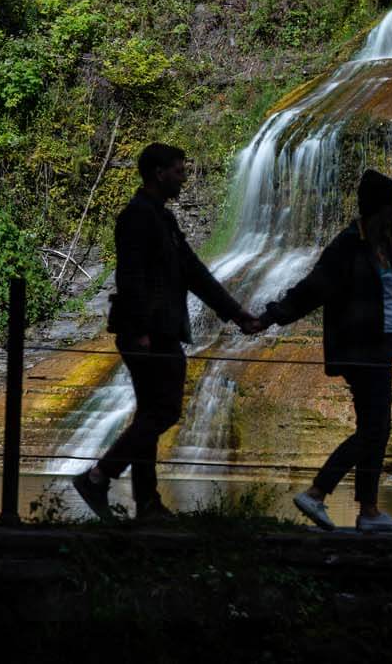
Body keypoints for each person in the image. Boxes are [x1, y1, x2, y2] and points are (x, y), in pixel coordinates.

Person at [70, 142, 259, 521]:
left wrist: (237, 314)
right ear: (159, 173)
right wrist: (140, 328)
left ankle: (147, 502)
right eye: (178, 171)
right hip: (148, 332)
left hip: (160, 329)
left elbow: (196, 274)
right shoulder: (137, 217)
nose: (183, 177)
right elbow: (131, 276)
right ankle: (98, 476)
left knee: (149, 414)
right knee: (165, 411)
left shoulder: (164, 219)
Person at [256, 168, 392, 533]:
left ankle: (369, 511)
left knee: (377, 428)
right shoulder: (347, 245)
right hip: (358, 351)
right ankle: (317, 492)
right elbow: (313, 288)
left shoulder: (385, 247)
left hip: (381, 350)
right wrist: (272, 316)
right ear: (376, 210)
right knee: (374, 429)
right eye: (390, 209)